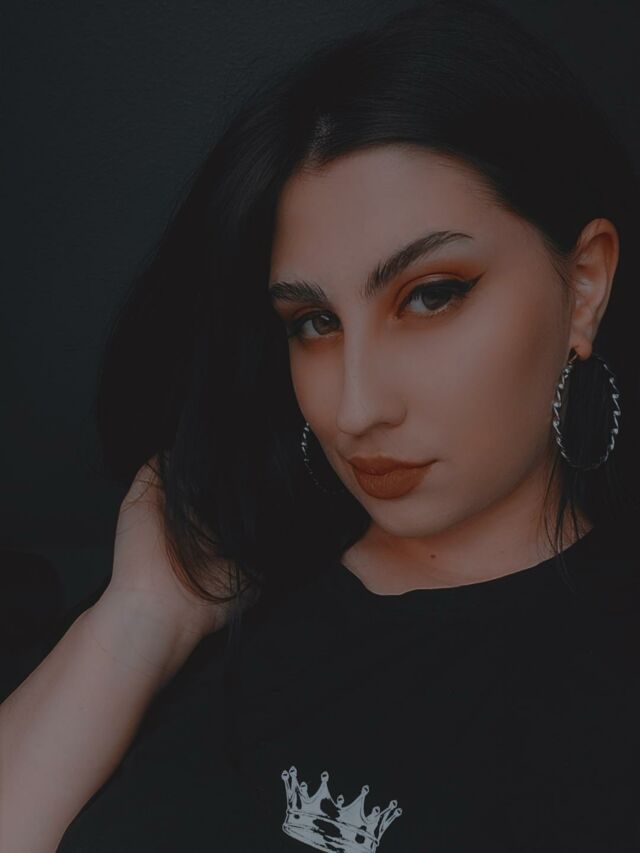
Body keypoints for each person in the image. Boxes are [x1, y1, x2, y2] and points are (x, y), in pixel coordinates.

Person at [1, 0, 639, 850]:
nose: (356, 405)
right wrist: (141, 616)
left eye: (430, 296)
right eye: (315, 322)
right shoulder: (219, 582)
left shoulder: (609, 688)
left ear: (584, 285)